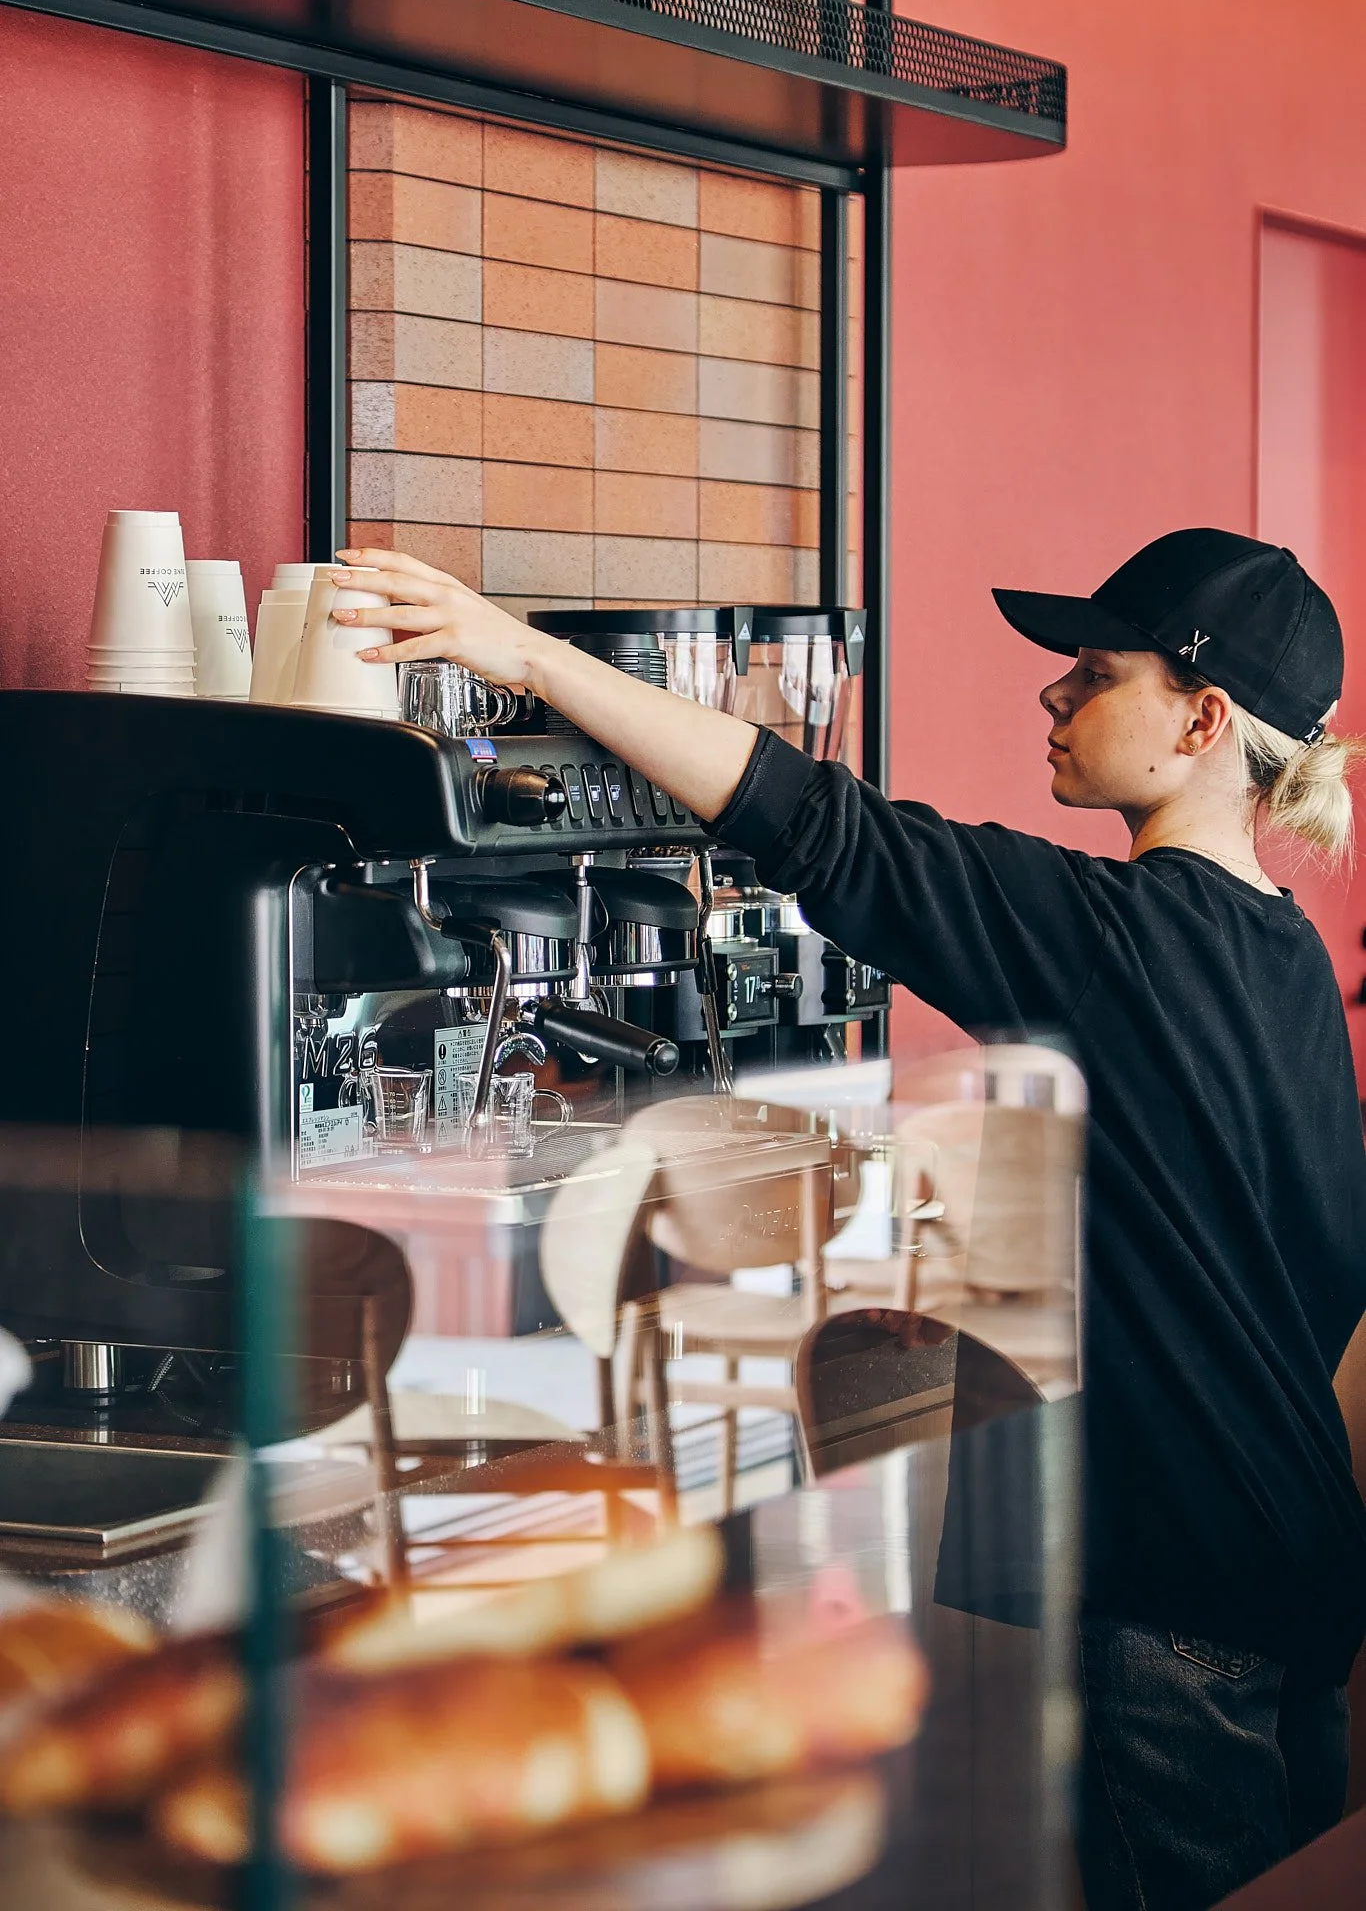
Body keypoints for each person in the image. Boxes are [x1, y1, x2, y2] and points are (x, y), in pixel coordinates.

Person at [331, 525, 1366, 1910]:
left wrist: (516, 650)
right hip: (1289, 1560)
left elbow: (813, 820)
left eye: (1093, 673)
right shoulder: (1281, 949)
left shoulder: (1113, 939)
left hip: (1169, 1598)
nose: (1051, 696)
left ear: (1200, 719)